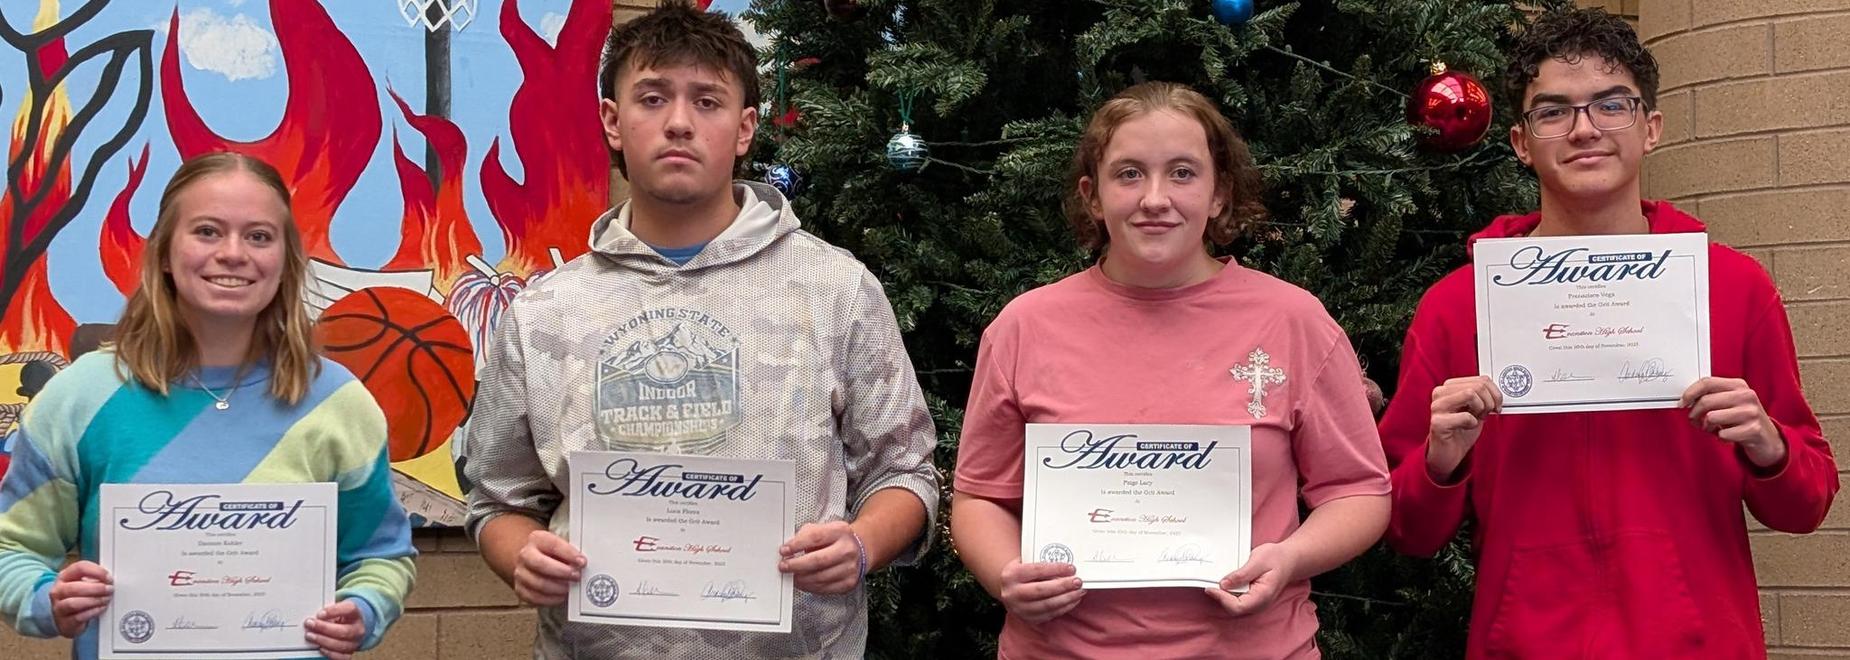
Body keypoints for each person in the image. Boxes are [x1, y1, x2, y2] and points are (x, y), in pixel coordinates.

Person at [462, 2, 940, 657]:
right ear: (612, 121)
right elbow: (496, 497)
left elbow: (906, 471)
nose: (679, 123)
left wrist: (863, 543)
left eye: (707, 102)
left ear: (745, 128)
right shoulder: (545, 311)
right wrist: (519, 553)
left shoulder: (837, 290)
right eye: (652, 98)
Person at [1378, 8, 1838, 658]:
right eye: (1553, 111)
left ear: (1650, 128)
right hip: (1524, 644)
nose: (1585, 129)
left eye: (1611, 104)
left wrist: (1769, 444)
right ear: (1520, 141)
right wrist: (1441, 460)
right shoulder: (1458, 306)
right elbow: (1405, 526)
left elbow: (1808, 503)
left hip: (1702, 642)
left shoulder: (1733, 288)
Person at [949, 81, 1391, 659]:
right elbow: (979, 496)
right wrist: (1005, 573)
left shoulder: (1293, 322)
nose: (1155, 198)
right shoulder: (1024, 327)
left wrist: (1290, 558)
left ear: (1219, 194)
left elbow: (1360, 491)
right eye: (1129, 173)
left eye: (1183, 173)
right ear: (1092, 195)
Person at [0, 152, 416, 660]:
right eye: (208, 231)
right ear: (165, 252)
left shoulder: (338, 402)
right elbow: (11, 550)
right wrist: (49, 599)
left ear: (286, 260)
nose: (234, 253)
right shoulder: (80, 397)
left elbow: (381, 556)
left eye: (259, 236)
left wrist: (365, 608)